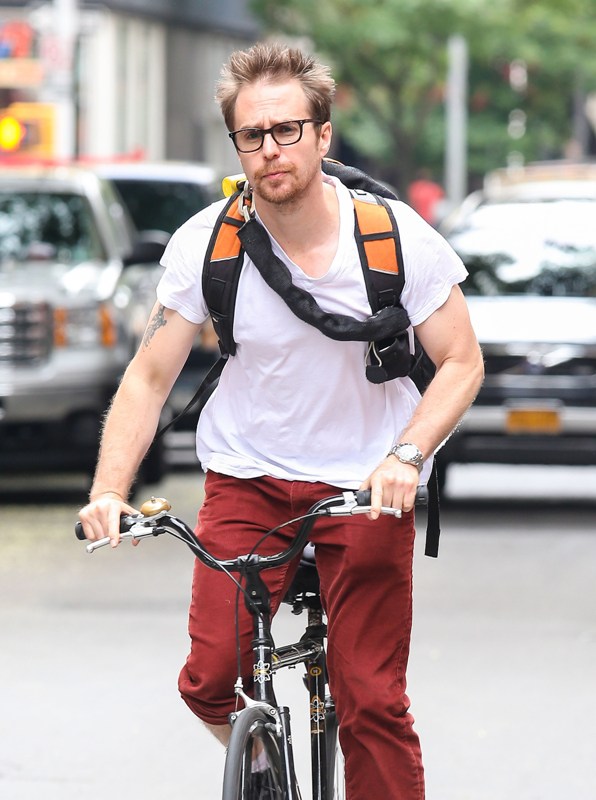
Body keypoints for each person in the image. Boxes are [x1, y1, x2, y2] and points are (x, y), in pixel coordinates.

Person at [79, 42, 484, 800]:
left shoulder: (394, 238)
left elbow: (461, 361)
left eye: (287, 129)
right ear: (236, 145)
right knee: (208, 681)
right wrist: (108, 490)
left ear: (322, 135)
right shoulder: (206, 243)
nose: (270, 148)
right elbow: (149, 376)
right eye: (252, 134)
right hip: (249, 480)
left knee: (372, 703)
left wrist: (405, 455)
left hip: (366, 486)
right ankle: (262, 767)